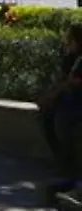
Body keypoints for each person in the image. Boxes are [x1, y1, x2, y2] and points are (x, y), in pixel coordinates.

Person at [40, 24, 82, 194]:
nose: (67, 42)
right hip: (69, 98)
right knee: (48, 116)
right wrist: (50, 95)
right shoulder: (70, 58)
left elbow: (74, 82)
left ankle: (70, 167)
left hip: (77, 101)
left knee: (67, 119)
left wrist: (54, 95)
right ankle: (62, 161)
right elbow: (63, 79)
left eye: (70, 39)